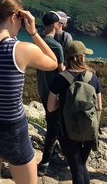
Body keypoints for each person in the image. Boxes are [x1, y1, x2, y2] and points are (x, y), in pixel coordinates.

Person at [0, 0, 58, 184]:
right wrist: (33, 33)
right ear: (12, 18)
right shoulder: (21, 49)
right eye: (20, 19)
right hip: (11, 129)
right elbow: (53, 63)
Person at [47, 41, 102, 184]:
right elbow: (99, 107)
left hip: (68, 131)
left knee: (76, 169)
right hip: (89, 130)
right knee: (82, 165)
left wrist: (64, 103)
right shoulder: (93, 78)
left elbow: (51, 107)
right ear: (81, 57)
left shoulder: (60, 78)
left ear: (67, 57)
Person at [37, 11, 66, 177]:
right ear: (55, 25)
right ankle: (45, 162)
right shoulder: (56, 46)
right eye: (59, 23)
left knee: (53, 122)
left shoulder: (39, 42)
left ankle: (54, 154)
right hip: (53, 92)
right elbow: (61, 69)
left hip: (42, 89)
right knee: (54, 127)